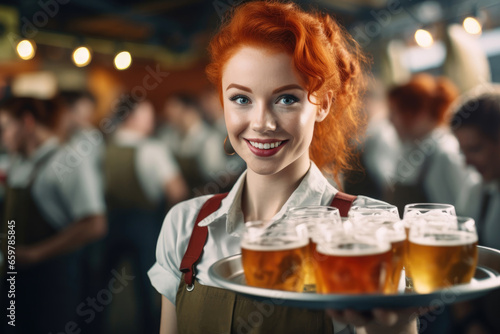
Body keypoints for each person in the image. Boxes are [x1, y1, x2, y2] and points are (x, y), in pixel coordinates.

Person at [148, 2, 420, 334]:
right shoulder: (185, 225)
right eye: (241, 99)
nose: (261, 123)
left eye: (286, 99)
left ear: (322, 104)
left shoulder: (371, 227)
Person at [0, 97, 107, 333]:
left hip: (52, 277)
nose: (2, 135)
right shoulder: (19, 162)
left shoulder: (66, 161)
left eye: (4, 127)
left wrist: (36, 253)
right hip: (15, 275)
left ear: (27, 122)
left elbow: (95, 225)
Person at [102, 96, 188, 333]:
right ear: (131, 118)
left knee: (102, 287)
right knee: (149, 286)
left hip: (110, 222)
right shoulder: (153, 148)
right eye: (146, 114)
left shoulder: (105, 146)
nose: (152, 119)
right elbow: (177, 190)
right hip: (145, 223)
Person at [384, 74, 472, 214]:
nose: (389, 120)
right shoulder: (412, 149)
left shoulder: (445, 153)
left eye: (394, 112)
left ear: (417, 113)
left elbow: (459, 214)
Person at [450, 88, 500, 334]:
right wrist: (470, 322)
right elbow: (456, 262)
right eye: (463, 151)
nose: (466, 162)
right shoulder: (474, 190)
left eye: (476, 148)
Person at [158, 93, 228, 195]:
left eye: (174, 109)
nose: (168, 114)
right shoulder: (169, 135)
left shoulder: (209, 139)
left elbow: (216, 175)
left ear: (190, 112)